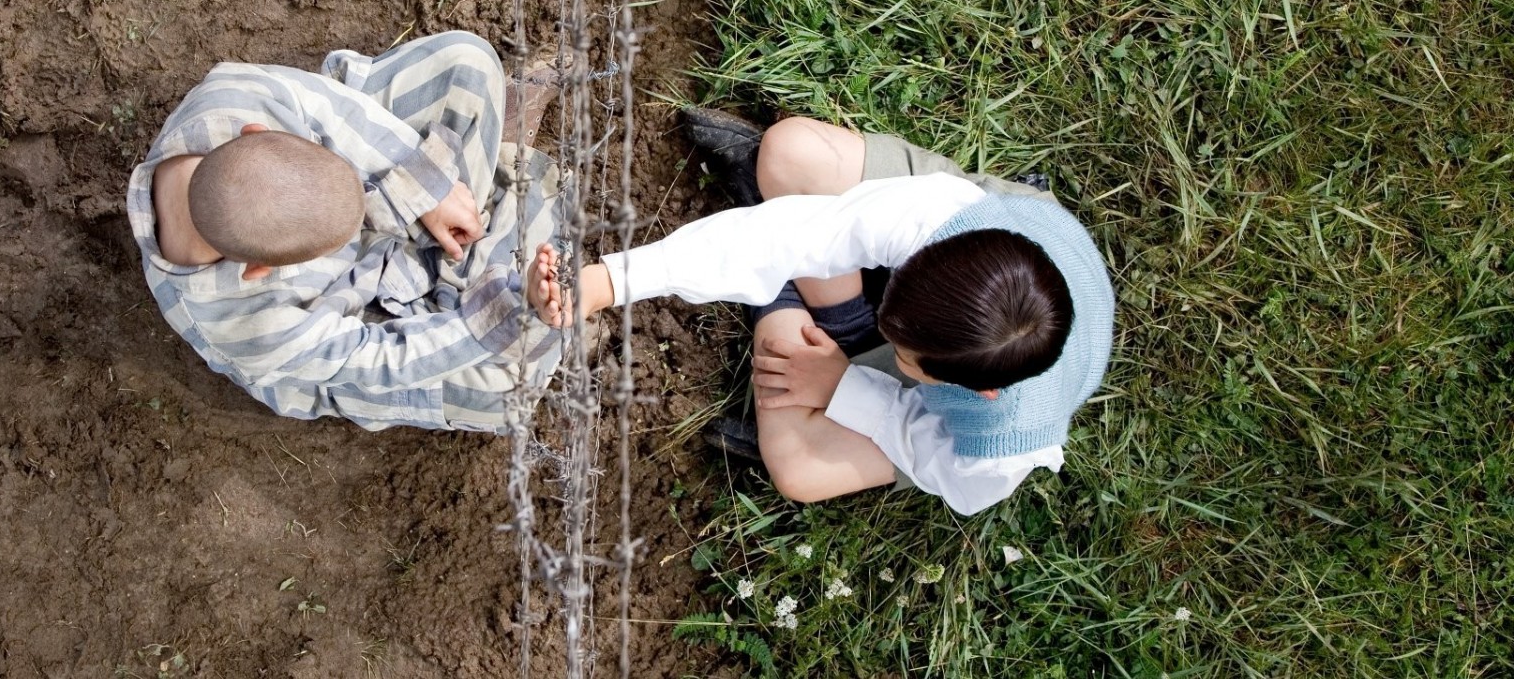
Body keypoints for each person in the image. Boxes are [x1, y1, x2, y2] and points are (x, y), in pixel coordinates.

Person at [537, 112, 1113, 515]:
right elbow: (799, 235)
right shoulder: (940, 218)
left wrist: (844, 387)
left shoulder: (1000, 444)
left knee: (799, 471)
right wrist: (605, 281)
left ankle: (796, 306)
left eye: (909, 360)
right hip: (986, 248)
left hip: (963, 378)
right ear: (933, 254)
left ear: (977, 392)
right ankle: (827, 316)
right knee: (790, 154)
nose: (903, 354)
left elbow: (932, 458)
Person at [125, 31, 572, 433]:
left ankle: (462, 260)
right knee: (507, 393)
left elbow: (338, 114)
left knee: (468, 62)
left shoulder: (233, 95)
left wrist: (426, 188)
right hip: (345, 319)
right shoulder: (249, 326)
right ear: (260, 270)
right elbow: (376, 359)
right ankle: (476, 281)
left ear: (255, 132)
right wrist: (489, 323)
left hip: (376, 190)